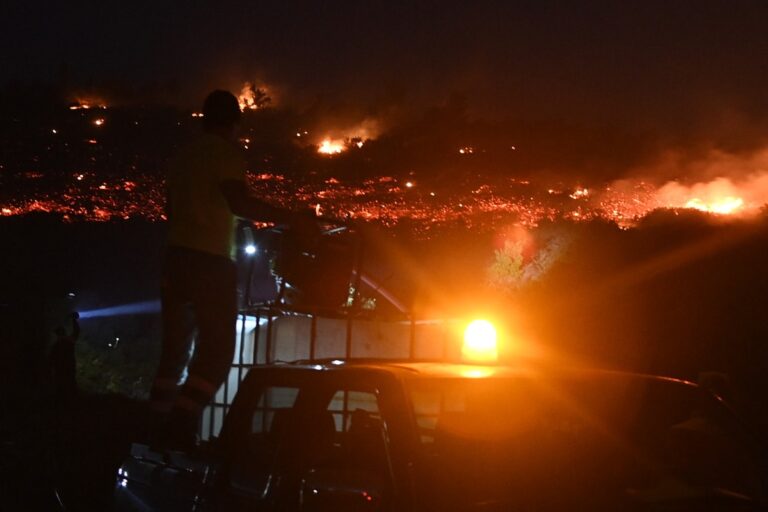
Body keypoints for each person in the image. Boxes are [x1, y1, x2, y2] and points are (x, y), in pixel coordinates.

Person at [149, 90, 317, 447]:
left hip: (174, 260)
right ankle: (182, 425)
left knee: (175, 351)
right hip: (210, 263)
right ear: (233, 123)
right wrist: (293, 220)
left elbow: (171, 211)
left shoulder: (182, 157)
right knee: (218, 351)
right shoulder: (224, 153)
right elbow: (238, 201)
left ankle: (154, 428)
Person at [51, 312, 80, 405]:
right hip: (69, 369)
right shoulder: (68, 342)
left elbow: (51, 360)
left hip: (60, 371)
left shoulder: (56, 346)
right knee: (70, 388)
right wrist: (74, 320)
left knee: (61, 390)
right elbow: (76, 332)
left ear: (57, 334)